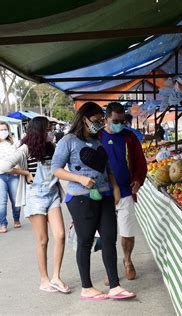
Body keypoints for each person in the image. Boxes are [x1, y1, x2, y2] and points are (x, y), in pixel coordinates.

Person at [52, 102, 136, 300]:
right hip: (81, 198)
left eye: (101, 120)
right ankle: (87, 287)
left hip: (105, 195)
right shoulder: (68, 141)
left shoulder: (98, 142)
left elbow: (108, 169)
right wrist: (79, 178)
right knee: (85, 241)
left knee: (109, 238)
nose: (100, 124)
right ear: (84, 119)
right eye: (96, 120)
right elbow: (55, 169)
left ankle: (115, 285)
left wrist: (115, 188)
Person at [0, 116, 69, 294]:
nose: (51, 132)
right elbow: (4, 166)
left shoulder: (51, 147)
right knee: (43, 240)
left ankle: (56, 277)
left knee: (60, 235)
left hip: (52, 194)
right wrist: (25, 173)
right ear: (40, 131)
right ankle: (44, 280)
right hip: (35, 196)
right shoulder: (25, 148)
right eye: (48, 129)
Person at [99, 102, 147, 283]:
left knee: (127, 230)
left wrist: (138, 180)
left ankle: (127, 260)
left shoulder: (129, 137)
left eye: (122, 120)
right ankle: (110, 268)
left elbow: (140, 162)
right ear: (106, 119)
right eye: (115, 120)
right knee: (106, 233)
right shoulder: (97, 136)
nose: (119, 124)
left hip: (126, 191)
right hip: (103, 193)